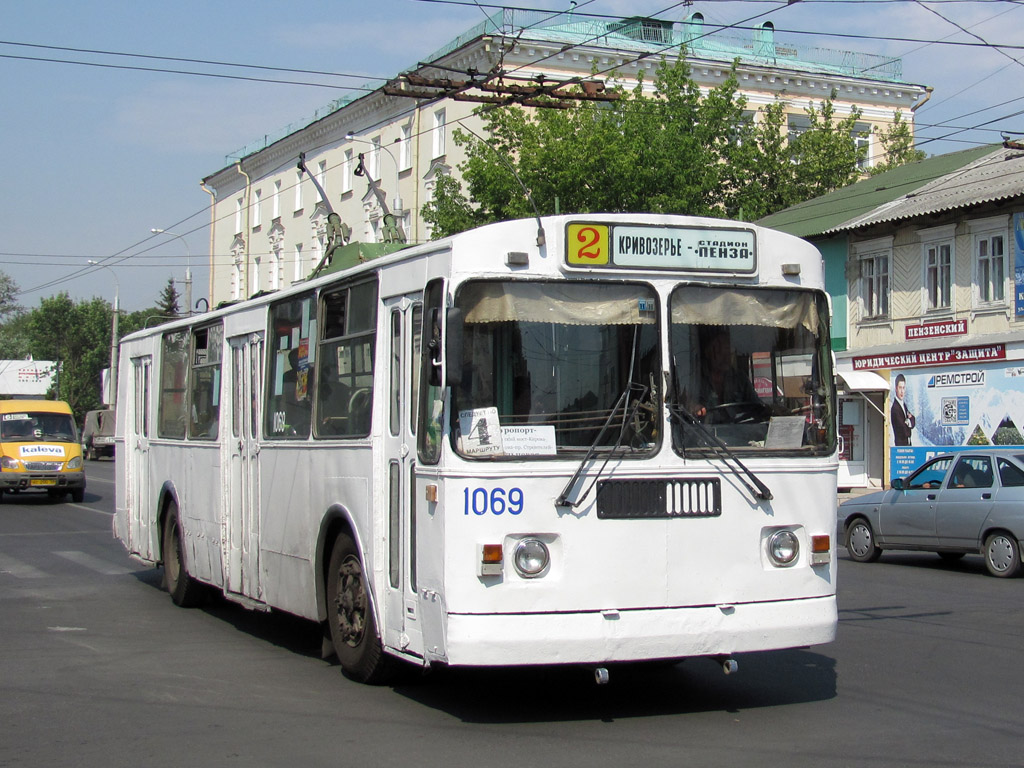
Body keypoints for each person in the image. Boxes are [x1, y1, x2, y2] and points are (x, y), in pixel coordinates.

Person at [693, 326, 762, 422]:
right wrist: (694, 407)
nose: (724, 355)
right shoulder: (696, 379)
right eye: (718, 349)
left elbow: (757, 406)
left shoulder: (740, 379)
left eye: (727, 349)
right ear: (707, 352)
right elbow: (686, 404)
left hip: (741, 432)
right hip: (705, 433)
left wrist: (772, 409)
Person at [890, 373, 915, 446]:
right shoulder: (895, 408)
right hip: (900, 448)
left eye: (903, 388)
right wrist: (909, 425)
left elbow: (913, 419)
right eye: (900, 388)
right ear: (896, 389)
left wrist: (909, 423)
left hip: (907, 446)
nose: (902, 391)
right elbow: (904, 431)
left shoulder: (904, 405)